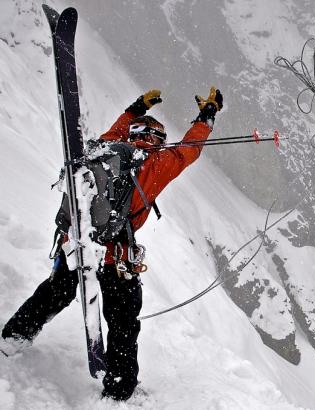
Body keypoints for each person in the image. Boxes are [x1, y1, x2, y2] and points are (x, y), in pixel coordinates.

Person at [0, 87, 223, 401]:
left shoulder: (102, 150)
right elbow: (190, 148)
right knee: (122, 322)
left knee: (55, 292)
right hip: (114, 259)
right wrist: (207, 116)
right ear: (156, 139)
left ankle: (14, 337)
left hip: (76, 244)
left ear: (131, 133)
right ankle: (119, 388)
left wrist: (132, 109)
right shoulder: (155, 165)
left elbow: (117, 131)